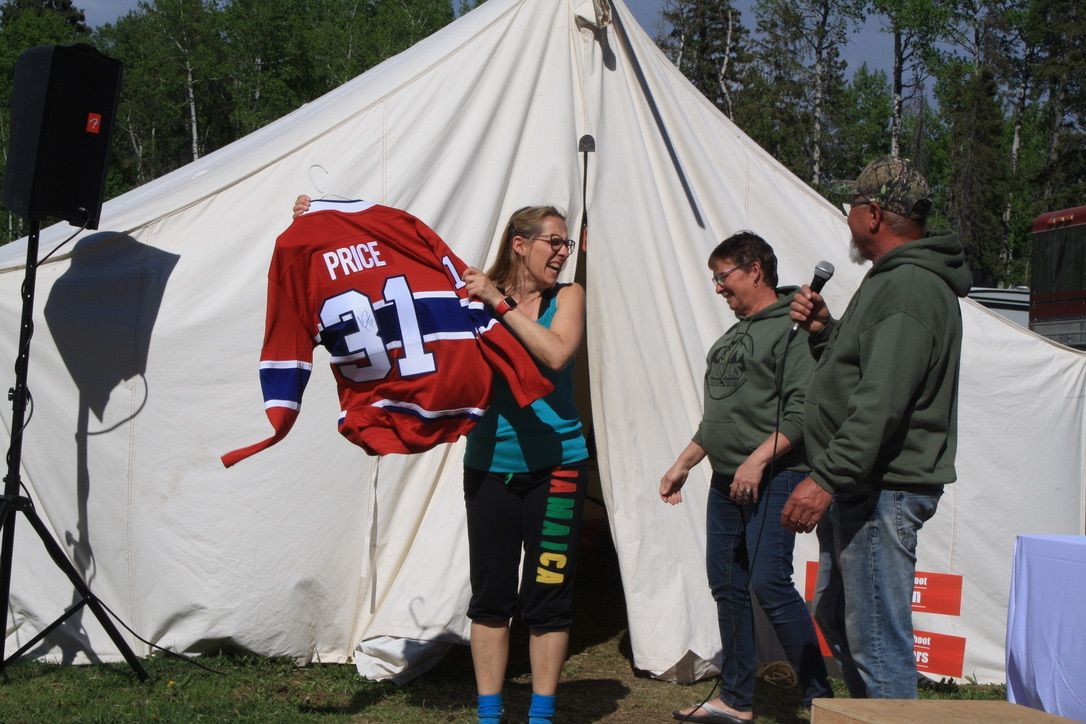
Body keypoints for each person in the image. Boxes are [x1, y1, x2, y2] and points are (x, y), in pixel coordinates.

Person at [782, 156, 972, 699]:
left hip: (880, 487)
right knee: (840, 616)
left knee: (876, 640)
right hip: (865, 482)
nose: (848, 218)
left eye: (852, 207)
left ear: (873, 215)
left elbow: (882, 401)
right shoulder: (895, 280)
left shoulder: (909, 286)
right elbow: (871, 370)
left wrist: (824, 478)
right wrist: (826, 331)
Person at [660, 232, 832, 724]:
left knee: (768, 582)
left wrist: (756, 461)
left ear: (755, 270)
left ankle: (821, 699)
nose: (718, 287)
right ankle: (736, 699)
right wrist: (684, 462)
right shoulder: (731, 337)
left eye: (723, 276)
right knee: (727, 584)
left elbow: (802, 413)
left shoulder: (794, 328)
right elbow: (720, 417)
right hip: (726, 480)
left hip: (777, 475)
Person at [460, 205, 588, 724]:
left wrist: (499, 301)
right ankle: (489, 715)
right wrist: (322, 217)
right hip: (489, 464)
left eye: (565, 244)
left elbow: (555, 354)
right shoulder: (473, 295)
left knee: (548, 596)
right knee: (490, 595)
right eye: (553, 242)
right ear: (520, 243)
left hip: (558, 468)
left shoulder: (567, 297)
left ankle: (541, 715)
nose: (562, 253)